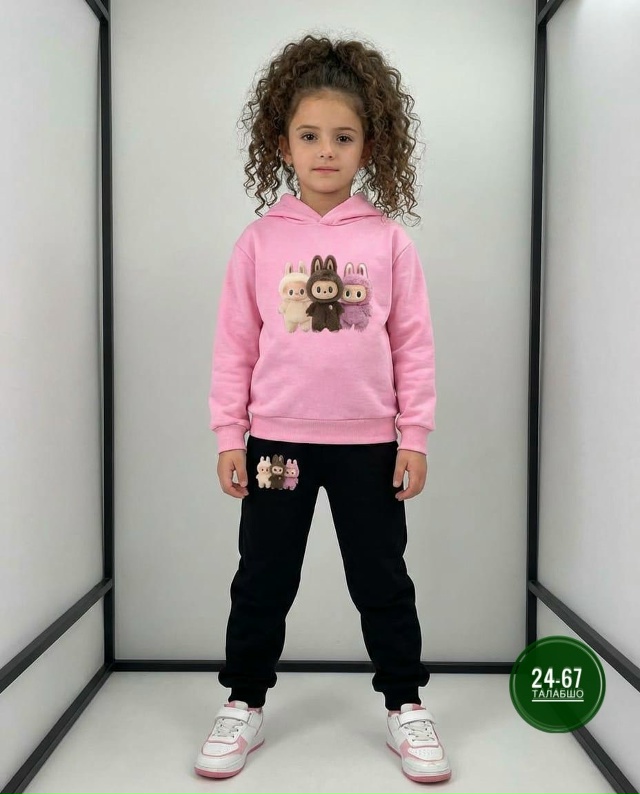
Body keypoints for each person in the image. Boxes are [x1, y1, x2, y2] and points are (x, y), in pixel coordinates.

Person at [195, 34, 451, 785]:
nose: (326, 151)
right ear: (283, 144)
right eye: (309, 136)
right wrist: (229, 434)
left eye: (343, 136)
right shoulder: (257, 243)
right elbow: (234, 345)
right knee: (263, 575)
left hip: (370, 448)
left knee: (381, 577)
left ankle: (406, 705)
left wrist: (415, 437)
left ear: (370, 145)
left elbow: (413, 346)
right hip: (276, 445)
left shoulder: (390, 242)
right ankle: (243, 702)